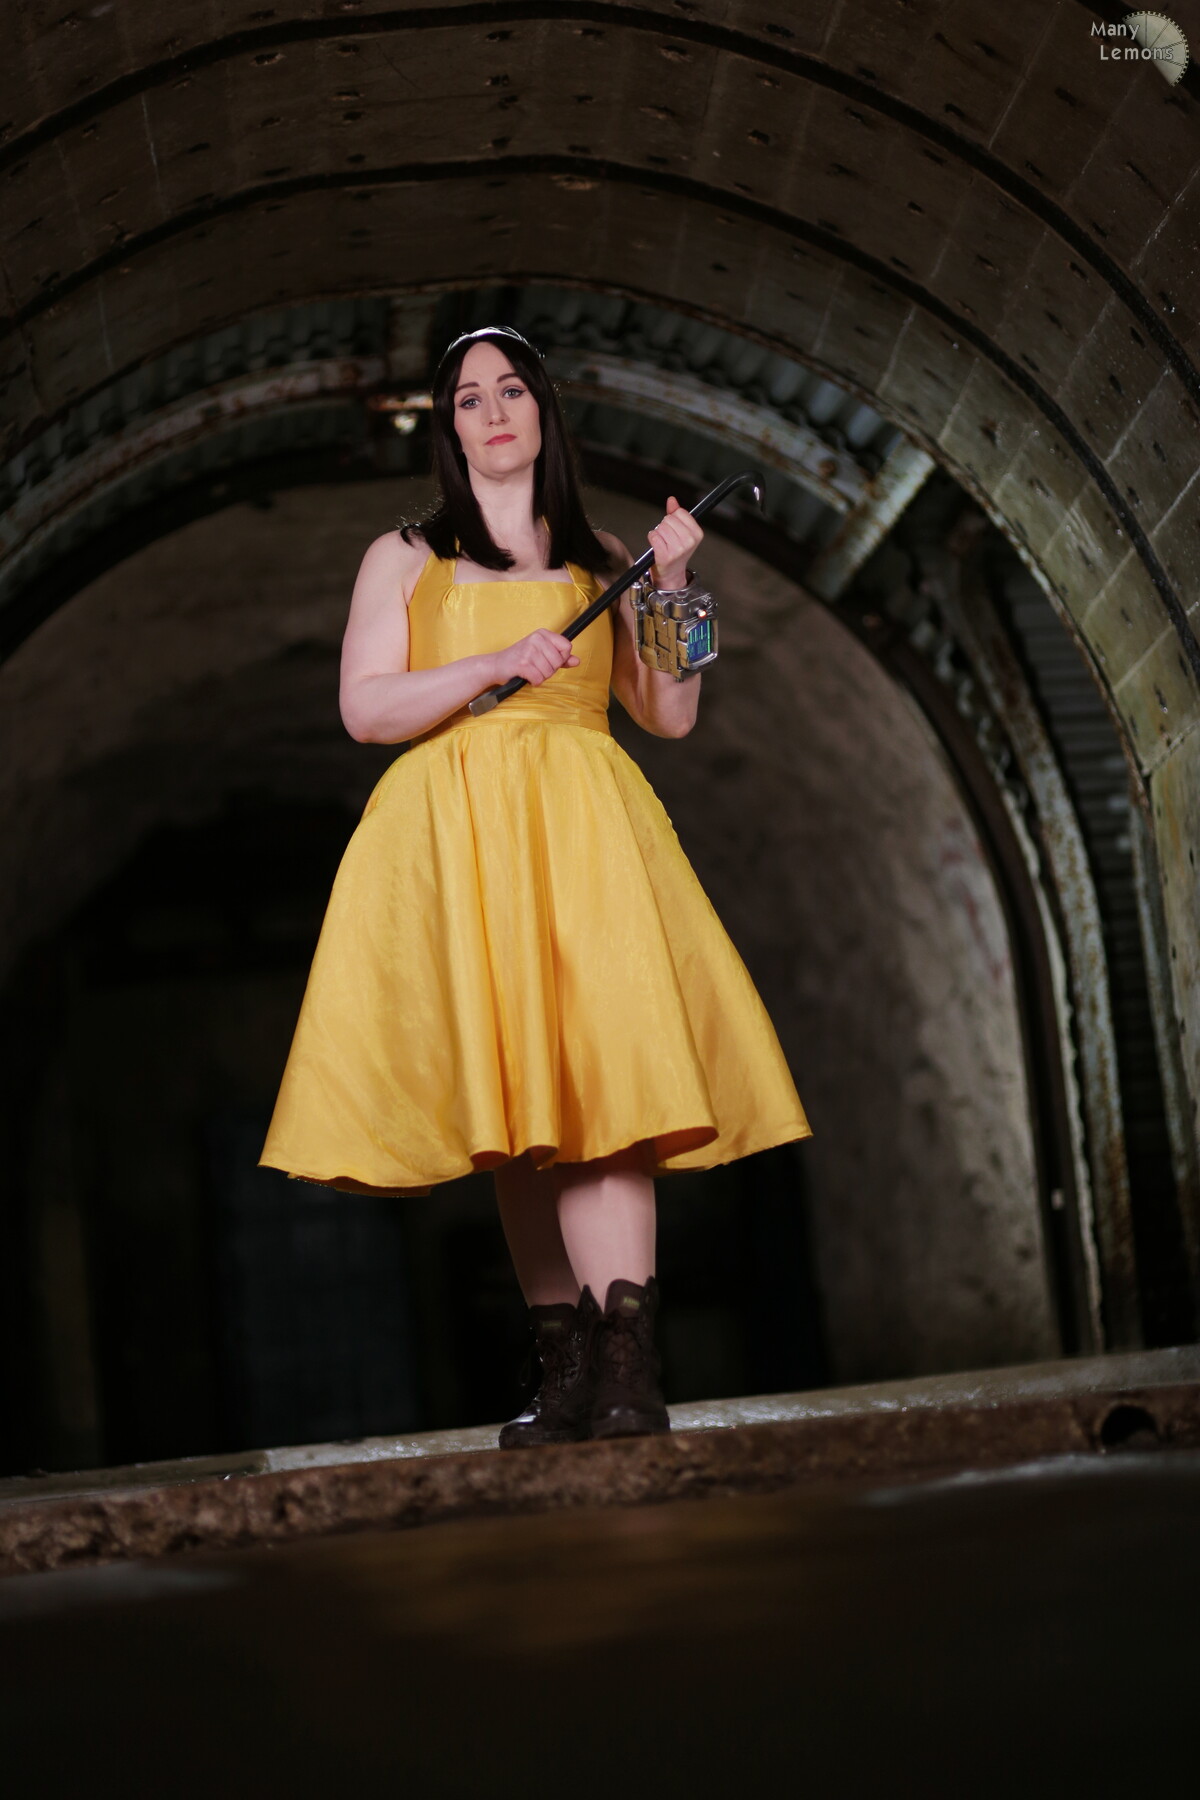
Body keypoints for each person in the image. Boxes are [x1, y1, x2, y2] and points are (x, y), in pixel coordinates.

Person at [260, 324, 811, 1449]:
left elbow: (670, 713)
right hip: (462, 842)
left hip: (585, 835)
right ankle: (563, 1370)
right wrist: (493, 665)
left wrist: (677, 585)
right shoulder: (403, 556)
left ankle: (627, 1364)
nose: (493, 412)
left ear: (543, 410)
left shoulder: (604, 557)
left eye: (511, 390)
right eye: (469, 399)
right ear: (449, 429)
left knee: (608, 1096)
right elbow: (366, 708)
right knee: (521, 1119)